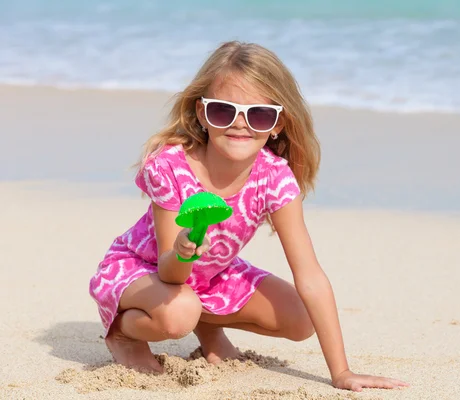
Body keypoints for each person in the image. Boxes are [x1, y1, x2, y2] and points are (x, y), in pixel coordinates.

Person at [89, 40, 408, 392]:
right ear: (202, 114)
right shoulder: (170, 166)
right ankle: (123, 333)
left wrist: (342, 372)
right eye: (224, 111)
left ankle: (208, 328)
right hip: (144, 270)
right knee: (178, 313)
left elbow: (310, 275)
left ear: (277, 124)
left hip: (210, 275)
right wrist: (184, 251)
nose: (240, 125)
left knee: (301, 319)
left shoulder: (275, 178)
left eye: (258, 114)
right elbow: (169, 269)